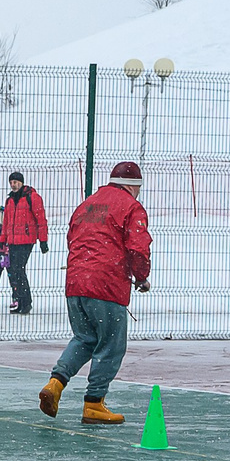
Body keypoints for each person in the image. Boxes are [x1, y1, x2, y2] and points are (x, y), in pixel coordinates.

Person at [39, 160, 150, 424]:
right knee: (111, 344)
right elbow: (138, 246)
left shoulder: (87, 205)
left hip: (76, 282)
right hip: (106, 284)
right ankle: (94, 403)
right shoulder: (131, 207)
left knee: (84, 338)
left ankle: (55, 383)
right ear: (134, 186)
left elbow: (73, 238)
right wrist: (142, 277)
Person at [0, 170, 49, 314]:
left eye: (15, 182)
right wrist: (2, 240)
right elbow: (6, 222)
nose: (13, 185)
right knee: (15, 271)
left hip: (26, 240)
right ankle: (21, 301)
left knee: (18, 270)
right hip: (13, 240)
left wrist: (43, 240)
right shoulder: (10, 200)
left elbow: (41, 220)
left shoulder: (32, 197)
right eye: (11, 182)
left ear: (21, 182)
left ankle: (26, 302)